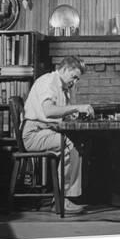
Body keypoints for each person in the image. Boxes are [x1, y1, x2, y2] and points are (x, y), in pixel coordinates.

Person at [22, 56, 94, 214]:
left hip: (45, 130)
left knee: (79, 142)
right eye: (73, 77)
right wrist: (76, 108)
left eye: (77, 79)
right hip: (34, 134)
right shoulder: (48, 82)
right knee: (70, 144)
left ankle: (67, 197)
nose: (75, 82)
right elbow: (48, 111)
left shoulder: (62, 87)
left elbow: (58, 113)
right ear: (64, 69)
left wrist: (71, 114)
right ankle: (62, 200)